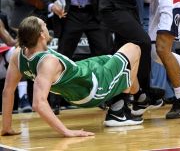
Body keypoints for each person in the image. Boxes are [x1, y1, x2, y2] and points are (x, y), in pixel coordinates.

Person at [1, 16, 141, 137]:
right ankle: (120, 110)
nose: (47, 27)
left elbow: (8, 91)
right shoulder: (47, 62)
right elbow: (38, 104)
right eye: (44, 25)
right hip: (94, 87)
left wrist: (6, 127)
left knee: (120, 62)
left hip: (83, 74)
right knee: (134, 48)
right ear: (41, 35)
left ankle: (139, 96)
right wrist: (66, 132)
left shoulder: (18, 55)